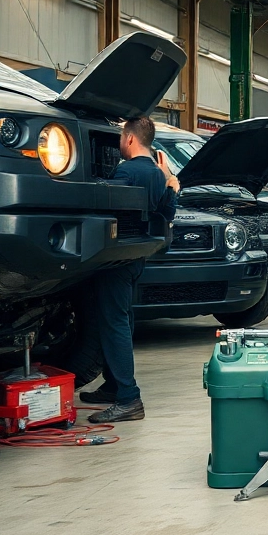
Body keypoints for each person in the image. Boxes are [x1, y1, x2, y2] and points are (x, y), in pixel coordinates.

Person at [82, 116, 179, 423]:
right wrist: (172, 186)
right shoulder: (156, 172)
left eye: (122, 137)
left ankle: (128, 398)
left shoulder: (127, 171)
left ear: (130, 139)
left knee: (115, 324)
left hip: (116, 258)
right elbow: (166, 212)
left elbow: (104, 205)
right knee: (121, 318)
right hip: (138, 257)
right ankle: (113, 385)